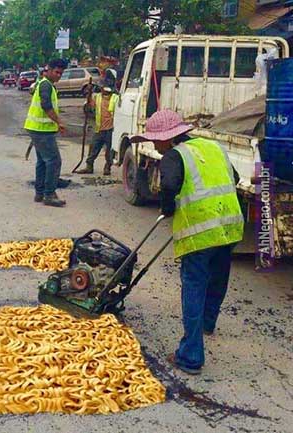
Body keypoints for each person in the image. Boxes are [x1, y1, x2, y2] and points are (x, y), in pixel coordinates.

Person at [132, 109, 244, 375]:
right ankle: (208, 323)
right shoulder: (212, 146)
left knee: (194, 285)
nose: (153, 145)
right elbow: (236, 178)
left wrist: (168, 207)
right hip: (229, 225)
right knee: (218, 277)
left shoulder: (174, 155)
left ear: (167, 138)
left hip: (200, 230)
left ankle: (190, 356)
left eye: (155, 139)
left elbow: (170, 185)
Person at [23, 58, 68, 207]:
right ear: (48, 70)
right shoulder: (45, 85)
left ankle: (40, 193)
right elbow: (46, 106)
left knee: (43, 161)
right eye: (56, 72)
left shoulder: (46, 84)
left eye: (61, 73)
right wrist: (59, 122)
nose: (58, 76)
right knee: (54, 161)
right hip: (41, 130)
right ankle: (49, 194)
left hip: (39, 128)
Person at [76, 80, 119, 175]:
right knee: (93, 147)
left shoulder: (116, 98)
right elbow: (90, 106)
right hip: (100, 128)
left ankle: (107, 167)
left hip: (111, 129)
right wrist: (89, 94)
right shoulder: (98, 97)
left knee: (109, 150)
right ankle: (89, 166)